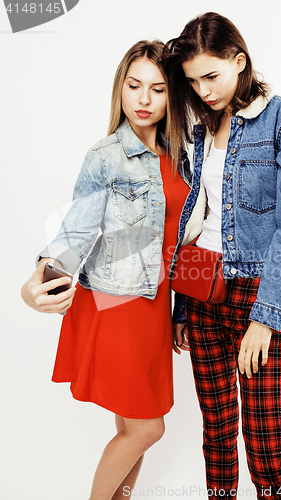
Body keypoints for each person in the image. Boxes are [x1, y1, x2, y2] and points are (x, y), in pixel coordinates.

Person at [164, 12, 281, 500]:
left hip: (259, 296)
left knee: (265, 448)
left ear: (240, 60)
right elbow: (199, 221)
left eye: (211, 76)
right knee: (216, 439)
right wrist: (182, 306)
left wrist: (267, 317)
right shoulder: (200, 130)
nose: (204, 90)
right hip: (203, 293)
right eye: (193, 81)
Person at [21, 40, 190, 500]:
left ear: (171, 95)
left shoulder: (183, 154)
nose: (143, 99)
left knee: (131, 423)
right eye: (133, 86)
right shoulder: (106, 156)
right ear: (120, 88)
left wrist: (181, 312)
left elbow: (185, 238)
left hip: (156, 304)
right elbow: (75, 232)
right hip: (117, 303)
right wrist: (40, 276)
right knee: (147, 428)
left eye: (156, 89)